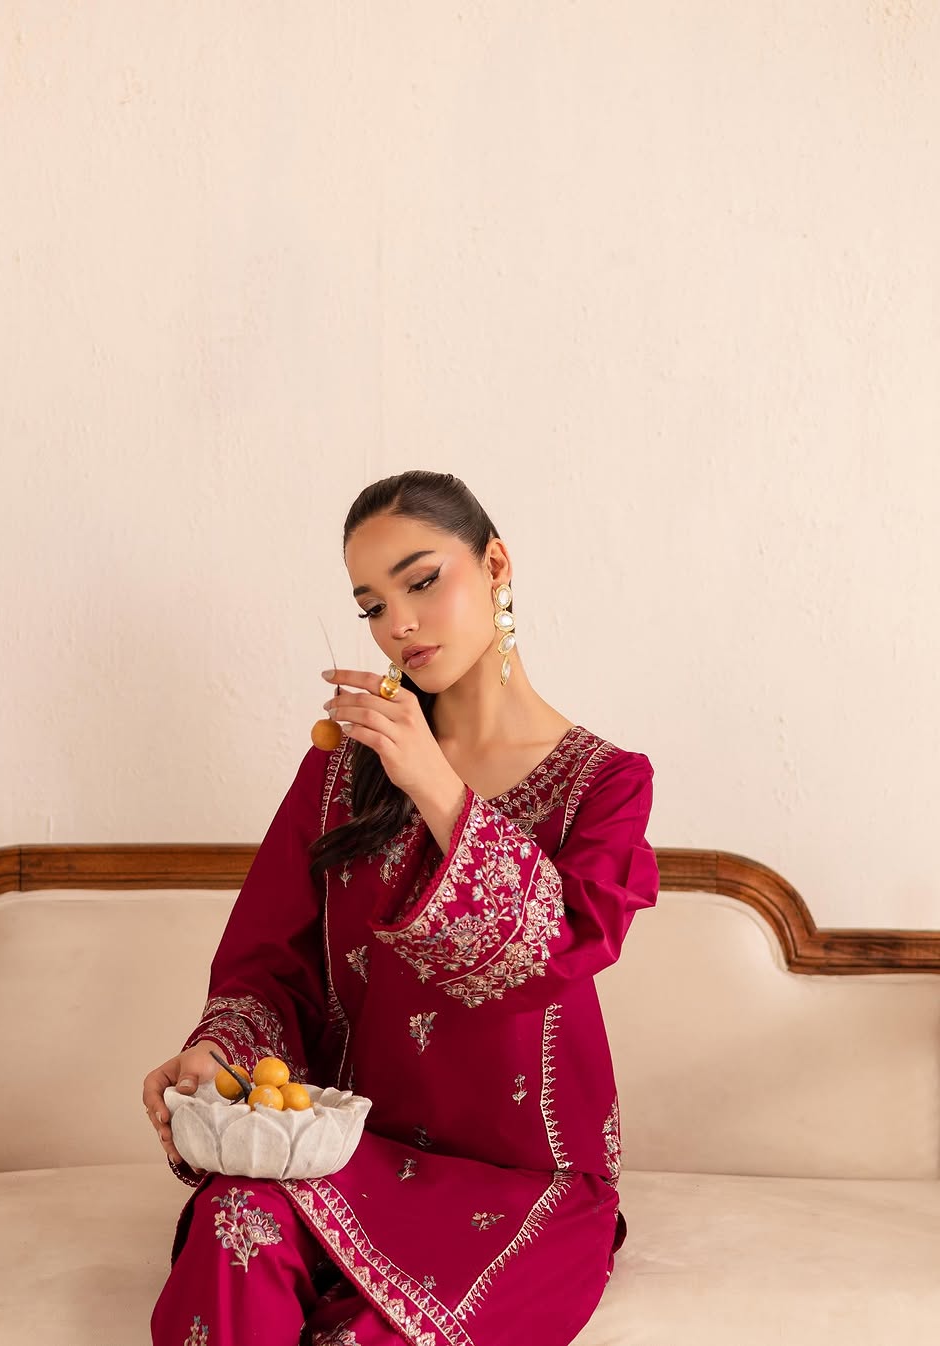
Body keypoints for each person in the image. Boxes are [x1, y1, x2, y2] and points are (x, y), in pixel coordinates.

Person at [144, 470, 660, 1345]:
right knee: (236, 1227)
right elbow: (271, 961)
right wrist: (218, 1056)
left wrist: (437, 786)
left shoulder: (605, 783)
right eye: (373, 606)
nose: (399, 625)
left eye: (422, 582)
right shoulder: (342, 770)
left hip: (523, 1180)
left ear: (495, 566)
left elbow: (558, 950)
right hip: (341, 1152)